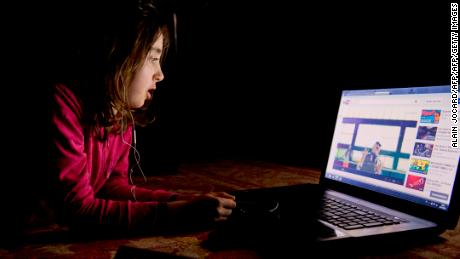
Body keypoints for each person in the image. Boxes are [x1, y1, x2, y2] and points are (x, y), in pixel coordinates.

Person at [45, 0, 236, 234]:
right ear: (120, 56)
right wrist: (176, 214)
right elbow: (79, 210)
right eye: (154, 58)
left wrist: (181, 200)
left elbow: (110, 188)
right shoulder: (62, 104)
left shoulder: (120, 114)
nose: (161, 74)